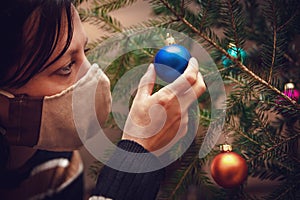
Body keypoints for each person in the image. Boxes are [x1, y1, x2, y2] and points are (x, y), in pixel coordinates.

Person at [0, 0, 206, 199]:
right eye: (66, 67)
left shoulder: (59, 169)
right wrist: (137, 154)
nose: (92, 76)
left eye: (85, 52)